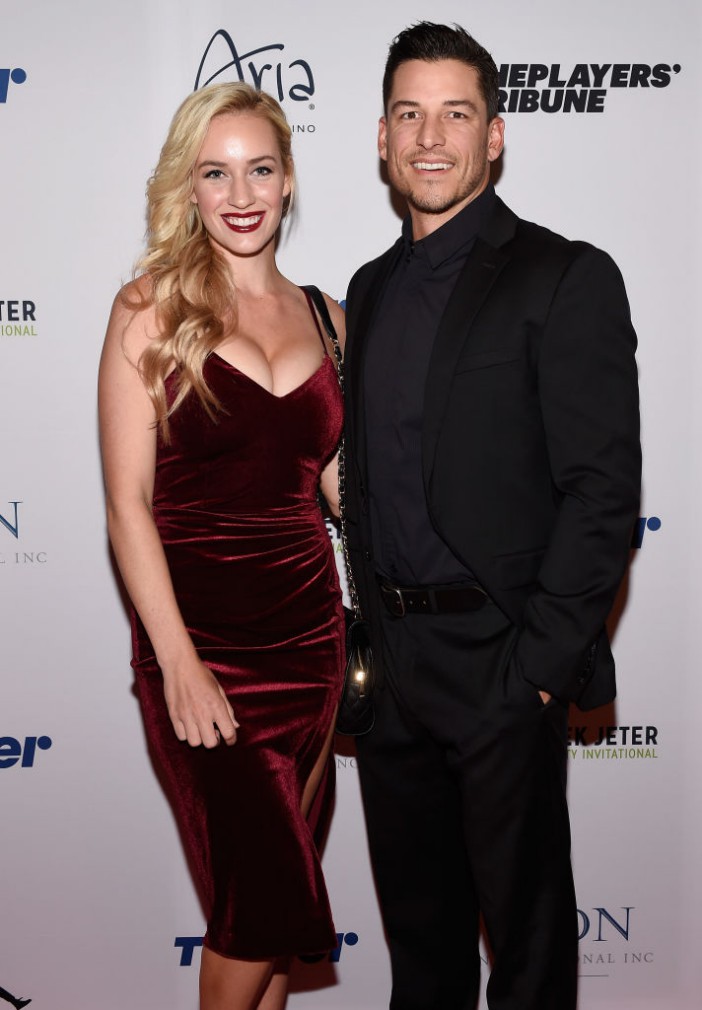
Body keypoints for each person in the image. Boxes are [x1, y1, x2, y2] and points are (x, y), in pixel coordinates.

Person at [343, 22, 641, 1010]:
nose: (432, 137)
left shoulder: (564, 276)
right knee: (422, 958)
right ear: (382, 137)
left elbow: (603, 496)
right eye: (410, 114)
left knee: (527, 961)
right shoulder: (369, 290)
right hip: (394, 675)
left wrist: (535, 672)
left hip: (499, 663)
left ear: (496, 134)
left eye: (456, 114)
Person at [98, 82, 345, 1010]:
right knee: (254, 912)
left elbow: (335, 487)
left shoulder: (329, 318)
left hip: (311, 643)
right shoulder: (149, 309)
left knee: (273, 924)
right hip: (201, 649)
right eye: (216, 172)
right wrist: (178, 665)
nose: (240, 194)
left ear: (288, 181)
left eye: (260, 169)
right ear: (189, 188)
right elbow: (126, 505)